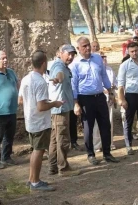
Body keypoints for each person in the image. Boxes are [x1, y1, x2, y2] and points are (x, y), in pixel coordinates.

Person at [19, 50, 63, 191]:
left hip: (30, 120)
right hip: (40, 122)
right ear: (44, 63)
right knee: (39, 150)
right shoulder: (40, 82)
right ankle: (35, 181)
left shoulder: (26, 79)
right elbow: (41, 106)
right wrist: (54, 103)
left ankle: (32, 179)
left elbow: (20, 100)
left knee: (35, 150)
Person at [70, 37, 119, 165]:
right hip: (85, 98)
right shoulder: (75, 64)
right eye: (84, 46)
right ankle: (91, 154)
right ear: (78, 48)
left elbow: (103, 76)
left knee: (105, 125)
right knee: (88, 127)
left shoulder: (97, 58)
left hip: (100, 96)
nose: (87, 48)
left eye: (88, 45)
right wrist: (75, 103)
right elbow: (73, 85)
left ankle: (107, 153)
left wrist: (110, 91)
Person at [48, 44, 80, 177]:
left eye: (73, 54)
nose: (71, 57)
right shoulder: (59, 66)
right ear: (61, 53)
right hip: (60, 109)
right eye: (68, 54)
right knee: (63, 139)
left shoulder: (64, 66)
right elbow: (59, 75)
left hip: (61, 108)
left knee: (55, 139)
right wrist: (57, 79)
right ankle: (63, 168)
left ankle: (53, 166)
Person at [94, 52, 117, 151]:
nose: (104, 59)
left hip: (109, 98)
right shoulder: (94, 69)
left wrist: (112, 92)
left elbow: (115, 83)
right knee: (96, 123)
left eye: (104, 57)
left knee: (109, 121)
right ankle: (97, 145)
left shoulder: (110, 70)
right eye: (101, 57)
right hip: (98, 98)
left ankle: (109, 143)